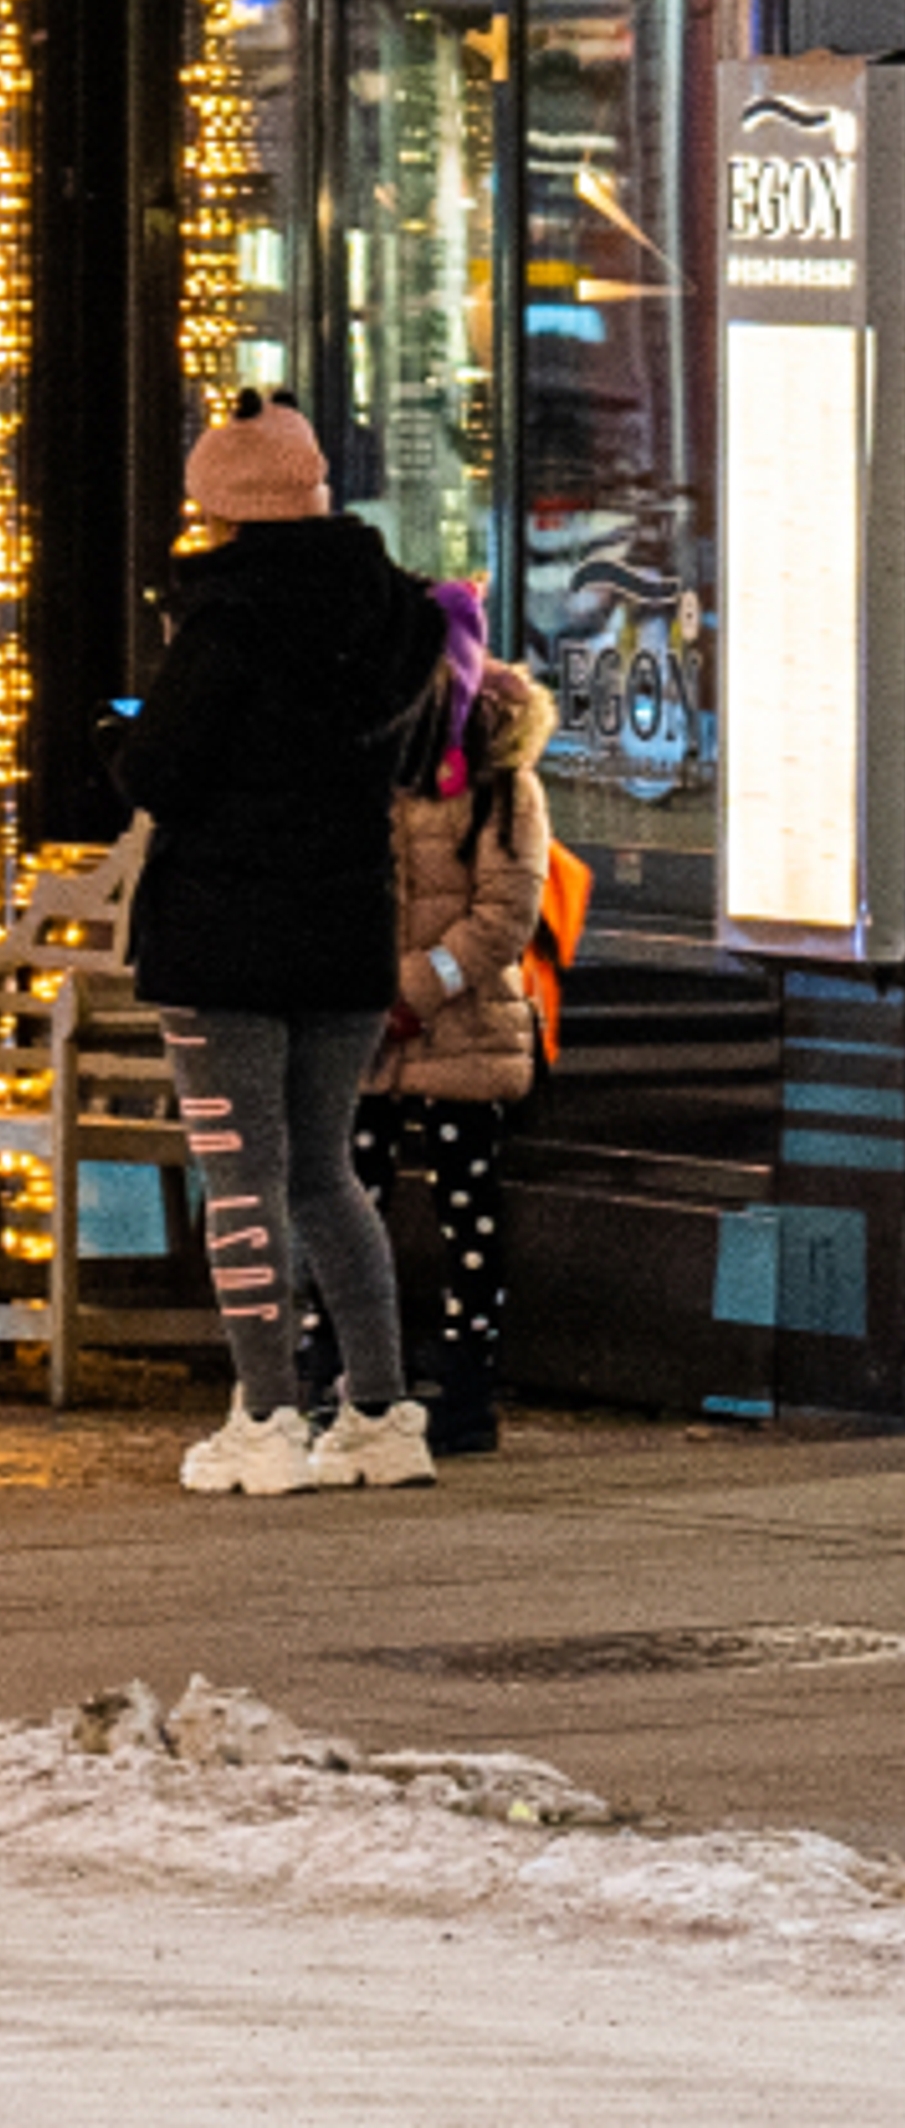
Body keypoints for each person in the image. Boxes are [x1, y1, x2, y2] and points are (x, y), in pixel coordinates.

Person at [120, 395, 449, 1493]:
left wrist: (114, 740)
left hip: (223, 944)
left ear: (226, 511)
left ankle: (265, 1414)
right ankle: (380, 1408)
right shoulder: (396, 616)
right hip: (345, 935)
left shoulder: (226, 622)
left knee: (242, 1180)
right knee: (324, 1174)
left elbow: (163, 772)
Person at [298, 576, 558, 1460]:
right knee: (345, 1191)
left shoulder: (500, 781)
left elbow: (507, 910)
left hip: (464, 1022)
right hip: (370, 1026)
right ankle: (340, 1365)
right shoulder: (362, 762)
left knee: (466, 1203)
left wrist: (419, 985)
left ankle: (466, 1381)